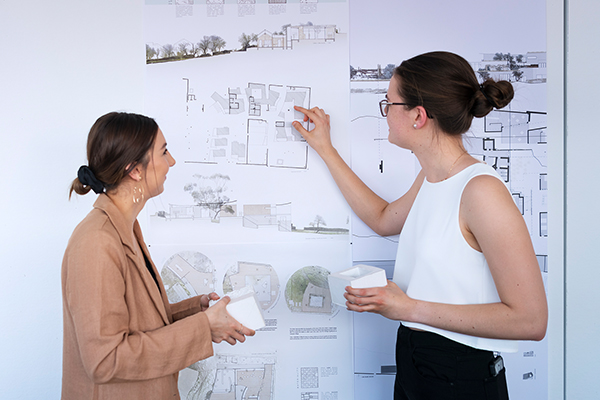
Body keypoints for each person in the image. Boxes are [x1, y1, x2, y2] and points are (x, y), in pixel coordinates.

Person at [293, 51, 547, 400]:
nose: (385, 113)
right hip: (416, 361)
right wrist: (325, 149)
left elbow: (531, 321)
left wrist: (408, 307)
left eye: (389, 103)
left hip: (460, 375)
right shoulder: (431, 178)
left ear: (418, 115)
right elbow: (383, 219)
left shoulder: (481, 191)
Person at [62, 112, 254, 400]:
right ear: (134, 170)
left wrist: (196, 313)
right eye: (164, 152)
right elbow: (105, 360)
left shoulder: (124, 227)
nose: (171, 162)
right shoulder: (96, 242)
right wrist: (203, 328)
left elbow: (138, 321)